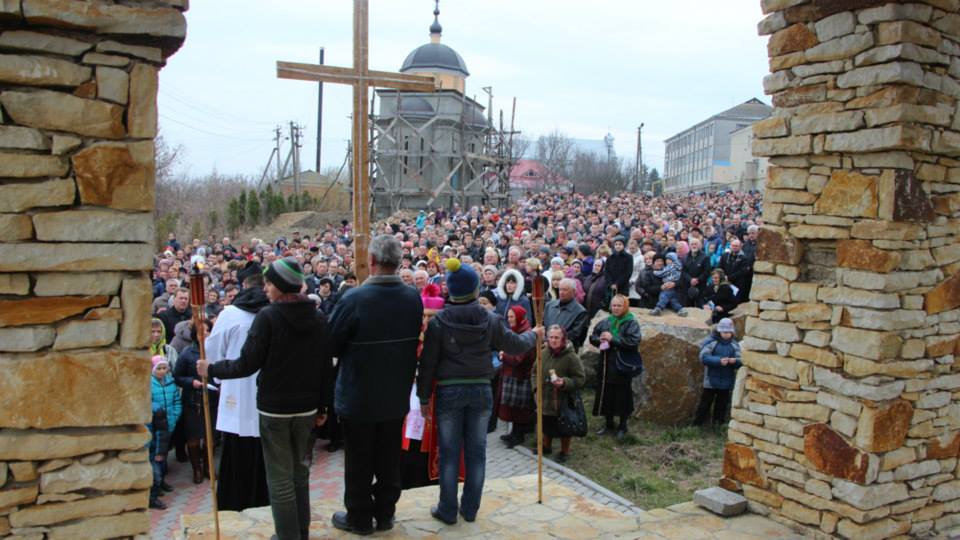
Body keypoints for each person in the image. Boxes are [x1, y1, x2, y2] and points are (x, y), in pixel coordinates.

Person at [199, 257, 334, 540]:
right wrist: (323, 405)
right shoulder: (317, 317)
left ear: (281, 286)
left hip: (275, 409)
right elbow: (324, 367)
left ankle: (287, 536)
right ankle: (301, 531)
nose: (266, 289)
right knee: (299, 471)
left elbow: (247, 363)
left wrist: (211, 369)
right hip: (306, 407)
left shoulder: (269, 317)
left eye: (270, 283)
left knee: (280, 478)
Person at [418, 258, 542, 526]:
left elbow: (427, 364)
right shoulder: (491, 319)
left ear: (450, 290)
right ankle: (470, 509)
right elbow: (517, 344)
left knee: (449, 452)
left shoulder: (439, 322)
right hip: (481, 389)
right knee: (477, 452)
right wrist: (535, 333)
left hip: (449, 392)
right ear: (475, 290)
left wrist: (423, 398)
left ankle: (447, 509)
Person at [328, 236, 424, 535]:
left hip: (359, 395)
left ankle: (359, 517)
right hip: (395, 395)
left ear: (371, 262)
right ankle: (385, 514)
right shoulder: (412, 298)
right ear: (398, 263)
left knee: (358, 461)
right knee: (388, 458)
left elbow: (330, 342)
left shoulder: (354, 299)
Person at [205, 261, 272, 511]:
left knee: (237, 458)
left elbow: (213, 352)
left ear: (243, 284)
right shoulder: (275, 310)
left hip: (237, 392)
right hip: (269, 396)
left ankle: (234, 505)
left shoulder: (230, 314)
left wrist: (217, 377)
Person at [590, 295, 641, 439]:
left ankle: (623, 425)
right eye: (614, 305)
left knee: (622, 395)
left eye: (619, 306)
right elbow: (593, 336)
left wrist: (614, 339)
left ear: (625, 306)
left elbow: (633, 342)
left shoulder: (631, 323)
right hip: (606, 364)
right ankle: (608, 423)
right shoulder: (605, 322)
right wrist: (598, 340)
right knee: (607, 394)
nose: (616, 308)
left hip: (622, 365)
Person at [173, 320, 217, 484]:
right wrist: (192, 382)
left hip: (211, 400)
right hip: (193, 401)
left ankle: (208, 468)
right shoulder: (187, 353)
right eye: (201, 331)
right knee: (193, 437)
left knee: (210, 438)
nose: (205, 334)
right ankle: (196, 469)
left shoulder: (215, 351)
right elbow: (177, 376)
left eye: (207, 330)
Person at [535, 325, 586, 463]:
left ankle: (565, 451)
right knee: (546, 422)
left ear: (563, 338)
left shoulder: (571, 357)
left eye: (557, 337)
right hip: (545, 396)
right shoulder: (544, 352)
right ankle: (546, 446)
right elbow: (534, 371)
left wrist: (564, 382)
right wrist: (535, 388)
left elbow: (580, 379)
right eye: (551, 337)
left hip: (563, 398)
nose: (553, 340)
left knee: (564, 426)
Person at [497, 306, 535, 448]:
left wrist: (503, 355)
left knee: (519, 408)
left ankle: (518, 435)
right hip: (512, 375)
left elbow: (518, 357)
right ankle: (513, 433)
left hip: (520, 377)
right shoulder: (517, 331)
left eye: (512, 317)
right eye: (509, 316)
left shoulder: (525, 334)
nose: (509, 319)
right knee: (512, 407)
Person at [693, 318, 742, 427]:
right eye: (724, 332)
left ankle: (718, 423)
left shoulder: (734, 345)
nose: (727, 334)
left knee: (722, 404)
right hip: (710, 380)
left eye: (729, 332)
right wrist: (718, 361)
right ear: (719, 331)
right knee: (705, 403)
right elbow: (703, 357)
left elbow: (740, 360)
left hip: (727, 379)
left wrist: (735, 361)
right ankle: (697, 423)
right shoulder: (711, 342)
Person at [149, 355, 181, 510]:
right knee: (155, 458)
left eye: (164, 368)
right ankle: (154, 491)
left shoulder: (170, 383)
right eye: (159, 368)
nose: (162, 371)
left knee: (163, 455)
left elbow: (176, 401)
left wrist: (173, 418)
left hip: (167, 424)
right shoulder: (149, 384)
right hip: (154, 428)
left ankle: (160, 482)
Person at [542, 278, 589, 350]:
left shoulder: (580, 311)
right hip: (546, 347)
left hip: (565, 351)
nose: (561, 292)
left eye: (565, 290)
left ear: (573, 292)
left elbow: (575, 334)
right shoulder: (549, 305)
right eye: (560, 289)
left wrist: (554, 341)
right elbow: (543, 325)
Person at [650, 252, 687, 317]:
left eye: (669, 260)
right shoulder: (677, 266)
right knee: (673, 300)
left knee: (663, 295)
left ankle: (659, 308)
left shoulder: (672, 267)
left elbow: (663, 273)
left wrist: (655, 272)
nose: (667, 261)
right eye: (666, 260)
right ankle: (680, 309)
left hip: (670, 285)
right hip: (670, 287)